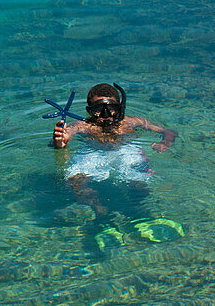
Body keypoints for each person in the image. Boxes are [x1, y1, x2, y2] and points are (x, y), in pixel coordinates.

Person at [50, 82, 181, 249]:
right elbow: (65, 137)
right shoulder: (83, 125)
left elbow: (169, 132)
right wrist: (60, 142)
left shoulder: (132, 122)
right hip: (93, 155)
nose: (106, 115)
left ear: (120, 108)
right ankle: (102, 217)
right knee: (75, 183)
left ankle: (141, 215)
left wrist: (165, 143)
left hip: (125, 152)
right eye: (98, 110)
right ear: (89, 110)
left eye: (112, 109)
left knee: (138, 185)